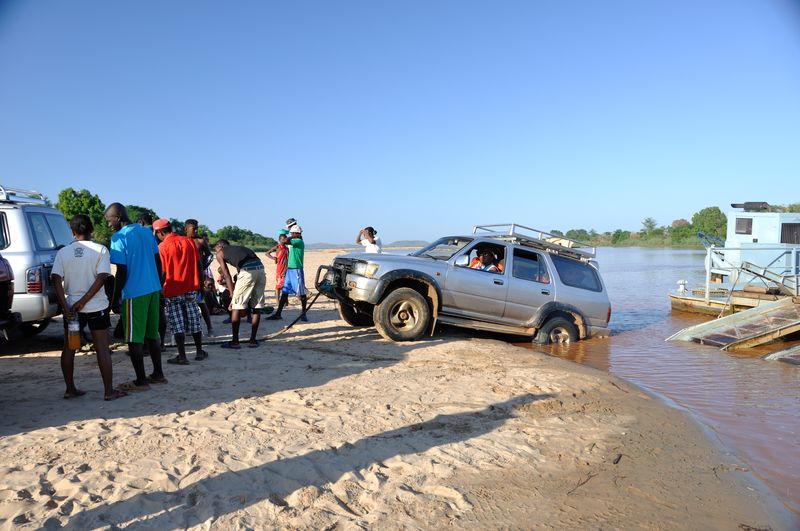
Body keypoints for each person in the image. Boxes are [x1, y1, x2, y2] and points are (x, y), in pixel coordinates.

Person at [51, 214, 127, 401]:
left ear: (72, 232)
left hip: (72, 310)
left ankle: (70, 389)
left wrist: (66, 305)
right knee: (102, 347)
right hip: (96, 306)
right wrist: (84, 301)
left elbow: (55, 278)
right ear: (91, 229)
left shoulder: (63, 253)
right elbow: (102, 277)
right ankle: (108, 391)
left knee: (70, 348)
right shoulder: (100, 250)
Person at [105, 203, 167, 392]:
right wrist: (158, 286)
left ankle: (141, 381)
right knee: (152, 334)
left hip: (134, 292)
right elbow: (158, 262)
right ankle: (158, 374)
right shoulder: (147, 232)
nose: (109, 225)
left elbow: (121, 272)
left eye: (109, 221)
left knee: (134, 339)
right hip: (153, 290)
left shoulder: (119, 238)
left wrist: (115, 298)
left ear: (117, 218)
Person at [153, 218, 207, 365]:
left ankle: (182, 356)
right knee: (194, 318)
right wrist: (201, 285)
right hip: (191, 287)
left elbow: (163, 271)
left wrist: (159, 288)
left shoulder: (162, 247)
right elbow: (198, 264)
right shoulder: (188, 242)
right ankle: (199, 351)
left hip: (172, 289)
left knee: (177, 323)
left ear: (160, 232)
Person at [215, 239, 269, 348]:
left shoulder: (220, 253)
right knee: (257, 306)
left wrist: (232, 294)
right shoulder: (239, 248)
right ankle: (253, 341)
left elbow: (227, 275)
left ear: (220, 247)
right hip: (260, 270)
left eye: (215, 248)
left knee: (236, 306)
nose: (215, 251)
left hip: (248, 271)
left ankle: (235, 342)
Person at [268, 224, 308, 321]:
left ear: (295, 234)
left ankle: (303, 313)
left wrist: (288, 235)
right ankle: (278, 314)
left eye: (291, 233)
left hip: (296, 269)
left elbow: (285, 240)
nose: (290, 234)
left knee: (302, 292)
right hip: (290, 270)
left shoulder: (299, 241)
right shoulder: (295, 240)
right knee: (285, 291)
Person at [184, 219, 214, 337]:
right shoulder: (182, 241)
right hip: (186, 276)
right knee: (186, 302)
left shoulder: (200, 241)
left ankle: (210, 327)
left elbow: (210, 255)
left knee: (201, 302)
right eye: (193, 228)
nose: (196, 230)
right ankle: (188, 327)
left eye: (197, 228)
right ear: (185, 229)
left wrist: (202, 268)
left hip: (199, 275)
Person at [266, 230, 290, 304]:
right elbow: (267, 253)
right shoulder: (277, 247)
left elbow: (288, 259)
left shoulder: (287, 248)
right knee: (278, 285)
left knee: (285, 285)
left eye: (285, 239)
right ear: (279, 240)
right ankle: (277, 301)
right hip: (279, 268)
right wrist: (274, 258)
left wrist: (287, 268)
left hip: (285, 267)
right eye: (282, 239)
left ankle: (286, 301)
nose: (284, 240)